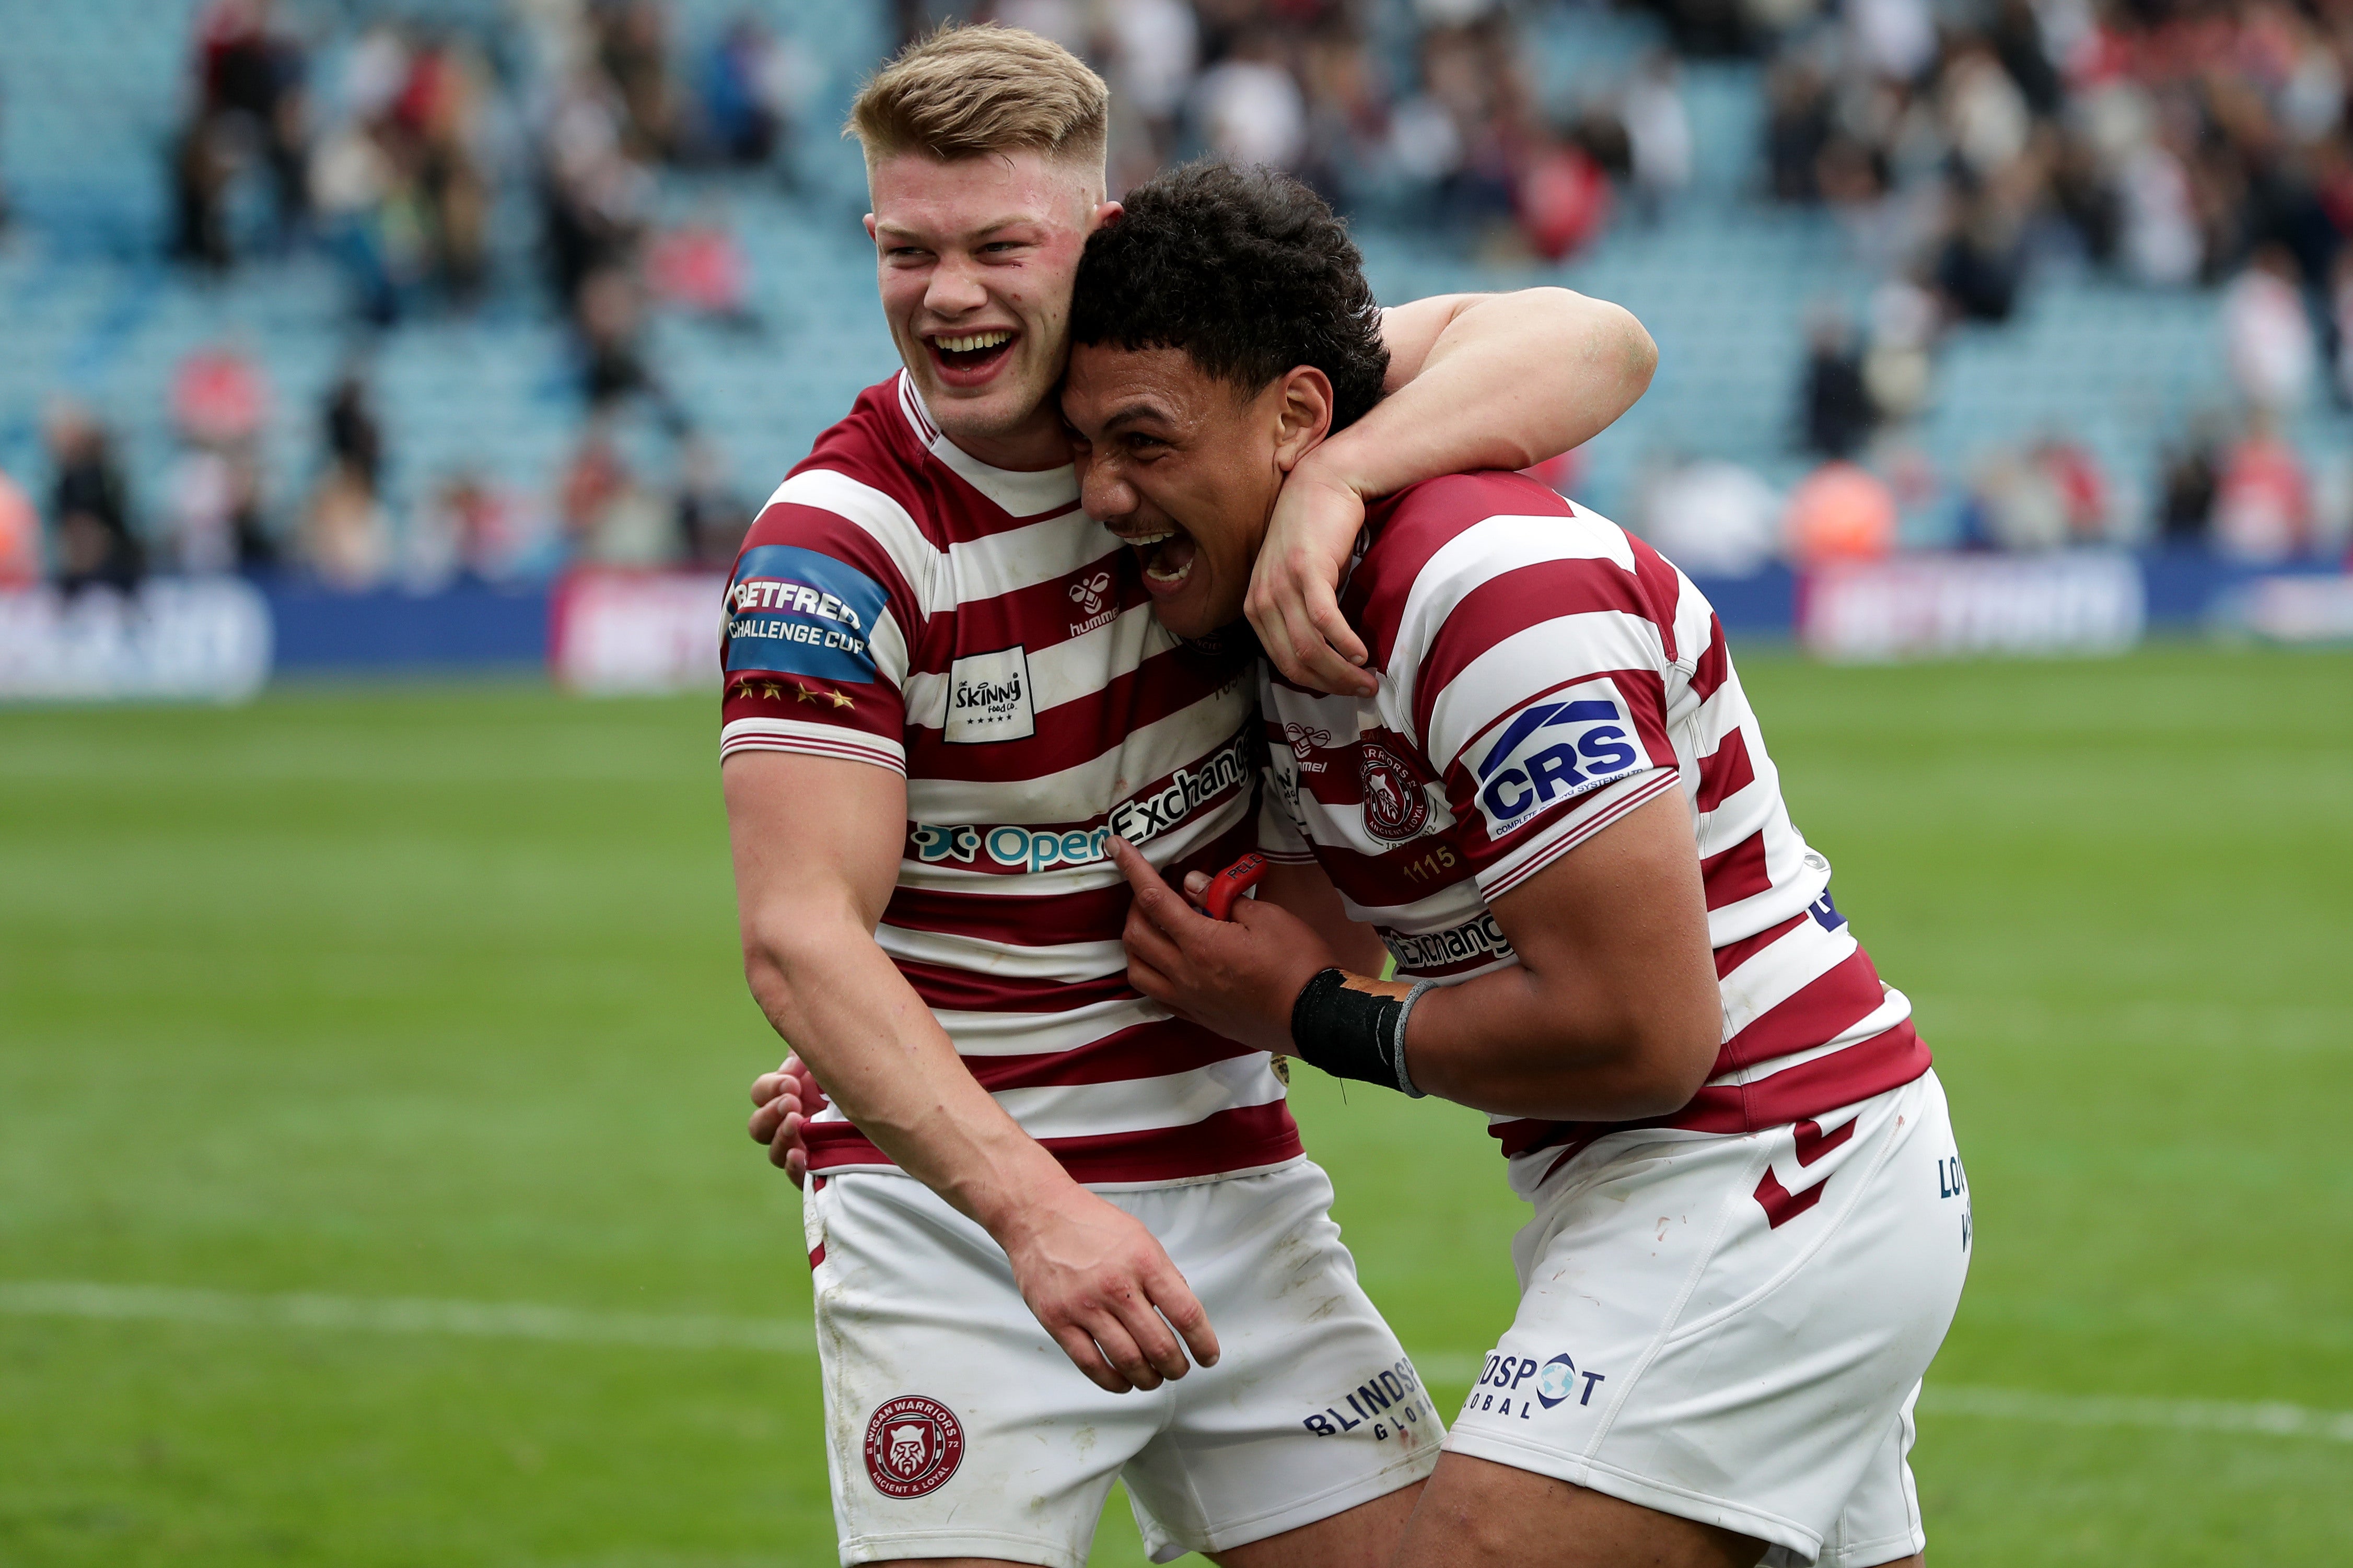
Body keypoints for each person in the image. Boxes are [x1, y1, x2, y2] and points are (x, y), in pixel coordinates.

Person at [727, 25, 1657, 1568]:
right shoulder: (836, 545)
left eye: (997, 245)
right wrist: (1027, 1207)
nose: (947, 292)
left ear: (1091, 239)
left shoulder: (1207, 412)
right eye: (909, 249)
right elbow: (798, 940)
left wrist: (1342, 482)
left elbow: (1594, 339)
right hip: (959, 1224)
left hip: (1231, 1170)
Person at [1055, 160, 1967, 1568]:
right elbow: (1283, 924)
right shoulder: (1289, 613)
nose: (1103, 493)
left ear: (1298, 419)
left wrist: (1316, 1014)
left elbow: (1650, 1035)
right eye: (1082, 446)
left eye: (1143, 442)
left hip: (1762, 1170)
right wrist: (905, 1047)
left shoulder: (1484, 593)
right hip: (1687, 1188)